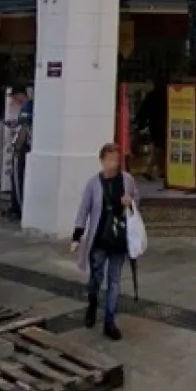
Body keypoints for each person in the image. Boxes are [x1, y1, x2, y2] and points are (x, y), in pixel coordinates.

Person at [70, 143, 138, 340]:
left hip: (118, 238)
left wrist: (130, 203)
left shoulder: (127, 180)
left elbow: (136, 200)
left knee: (114, 281)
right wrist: (77, 236)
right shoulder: (93, 183)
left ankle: (110, 321)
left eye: (116, 159)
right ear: (102, 161)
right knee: (96, 278)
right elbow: (84, 210)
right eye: (109, 160)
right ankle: (92, 304)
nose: (113, 164)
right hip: (99, 238)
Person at [7, 87, 33, 219]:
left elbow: (24, 128)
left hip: (24, 148)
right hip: (31, 148)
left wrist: (17, 147)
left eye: (14, 97)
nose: (13, 100)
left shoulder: (27, 106)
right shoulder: (35, 104)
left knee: (17, 178)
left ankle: (17, 208)